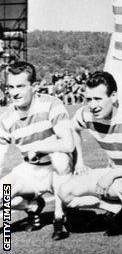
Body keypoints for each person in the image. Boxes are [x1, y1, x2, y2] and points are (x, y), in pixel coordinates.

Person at [58, 71, 122, 237]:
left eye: (98, 99)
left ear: (113, 96)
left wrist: (112, 175)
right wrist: (79, 161)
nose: (92, 105)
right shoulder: (85, 114)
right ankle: (119, 210)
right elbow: (73, 128)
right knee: (65, 192)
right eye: (89, 99)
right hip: (116, 173)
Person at [0, 61, 75, 240]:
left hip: (56, 170)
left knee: (60, 158)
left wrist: (38, 147)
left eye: (20, 86)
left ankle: (59, 217)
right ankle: (32, 206)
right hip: (31, 170)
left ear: (34, 87)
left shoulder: (52, 104)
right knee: (3, 193)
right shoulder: (7, 117)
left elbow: (68, 144)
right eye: (10, 87)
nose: (14, 92)